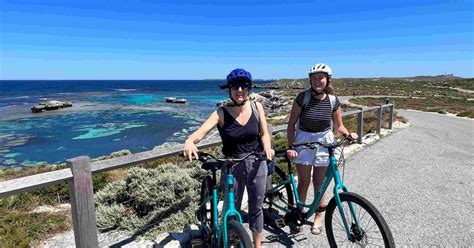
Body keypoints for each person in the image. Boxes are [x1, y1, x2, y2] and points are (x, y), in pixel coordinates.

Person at [183, 68, 274, 248]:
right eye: (235, 86)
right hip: (232, 165)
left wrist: (268, 147)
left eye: (243, 85)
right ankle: (227, 238)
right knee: (231, 210)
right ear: (229, 89)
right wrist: (189, 140)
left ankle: (257, 246)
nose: (239, 90)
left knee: (256, 209)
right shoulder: (221, 112)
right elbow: (201, 132)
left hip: (256, 162)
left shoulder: (257, 107)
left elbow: (264, 133)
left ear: (248, 87)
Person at [286, 63, 358, 235]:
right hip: (303, 139)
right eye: (314, 78)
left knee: (320, 183)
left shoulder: (333, 100)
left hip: (324, 140)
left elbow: (338, 125)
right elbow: (291, 124)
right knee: (303, 182)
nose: (318, 81)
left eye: (321, 77)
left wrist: (348, 134)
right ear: (310, 80)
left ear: (327, 80)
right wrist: (291, 146)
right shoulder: (302, 98)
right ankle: (299, 214)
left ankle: (318, 216)